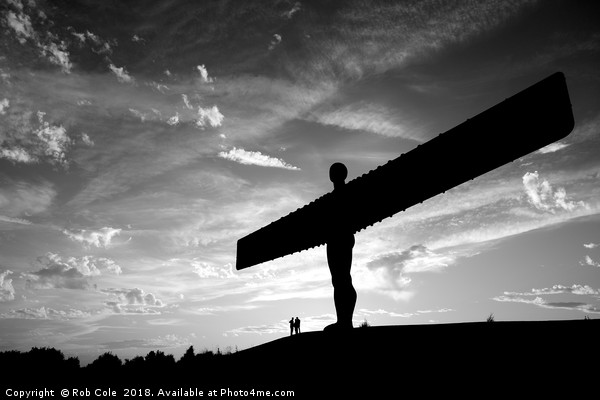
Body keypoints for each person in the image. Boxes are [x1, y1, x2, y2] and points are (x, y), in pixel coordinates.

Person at [324, 163, 357, 332]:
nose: (332, 175)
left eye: (334, 172)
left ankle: (346, 321)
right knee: (338, 280)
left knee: (343, 278)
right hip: (334, 239)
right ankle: (342, 320)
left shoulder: (347, 193)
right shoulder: (332, 197)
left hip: (342, 238)